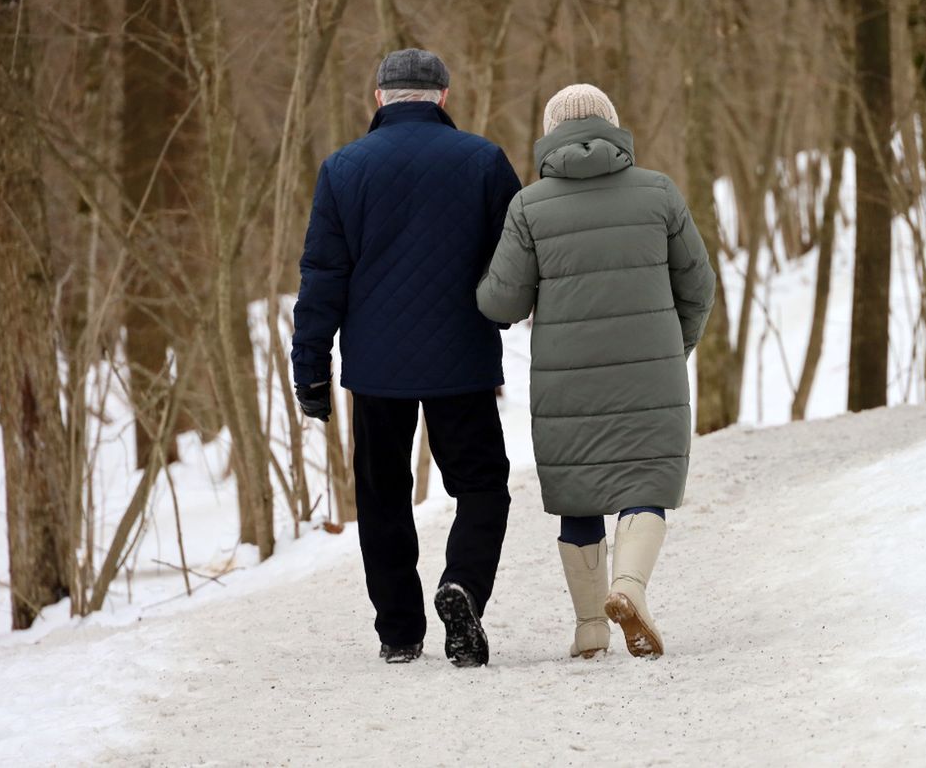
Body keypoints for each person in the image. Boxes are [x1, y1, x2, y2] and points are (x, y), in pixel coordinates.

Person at [292, 48, 522, 667]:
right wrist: (505, 313)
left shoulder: (342, 169)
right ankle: (463, 586)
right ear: (443, 96)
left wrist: (310, 365)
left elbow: (323, 275)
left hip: (376, 367)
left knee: (382, 494)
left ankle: (399, 632)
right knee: (481, 486)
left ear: (379, 98)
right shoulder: (484, 161)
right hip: (462, 357)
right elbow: (516, 260)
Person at [477, 84, 716, 659]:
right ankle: (629, 588)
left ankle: (590, 627)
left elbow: (501, 304)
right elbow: (699, 286)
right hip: (650, 376)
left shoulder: (529, 206)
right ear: (614, 126)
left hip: (566, 379)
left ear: (550, 133)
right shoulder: (658, 193)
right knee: (644, 485)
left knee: (578, 493)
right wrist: (670, 350)